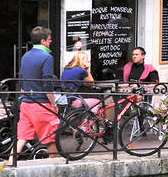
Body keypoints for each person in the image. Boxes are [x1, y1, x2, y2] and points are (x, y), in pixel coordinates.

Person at [16, 26, 59, 159]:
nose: (50, 41)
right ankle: (54, 165)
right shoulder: (47, 57)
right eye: (49, 39)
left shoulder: (25, 56)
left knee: (22, 137)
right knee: (50, 138)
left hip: (26, 103)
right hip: (41, 104)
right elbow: (47, 83)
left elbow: (22, 81)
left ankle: (11, 160)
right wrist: (53, 104)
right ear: (43, 41)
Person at [61, 50, 103, 119]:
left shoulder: (66, 69)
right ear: (82, 60)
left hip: (65, 100)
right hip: (75, 101)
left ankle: (86, 121)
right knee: (97, 102)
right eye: (87, 60)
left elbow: (75, 80)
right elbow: (92, 83)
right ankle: (88, 123)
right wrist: (87, 69)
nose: (88, 62)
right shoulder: (81, 70)